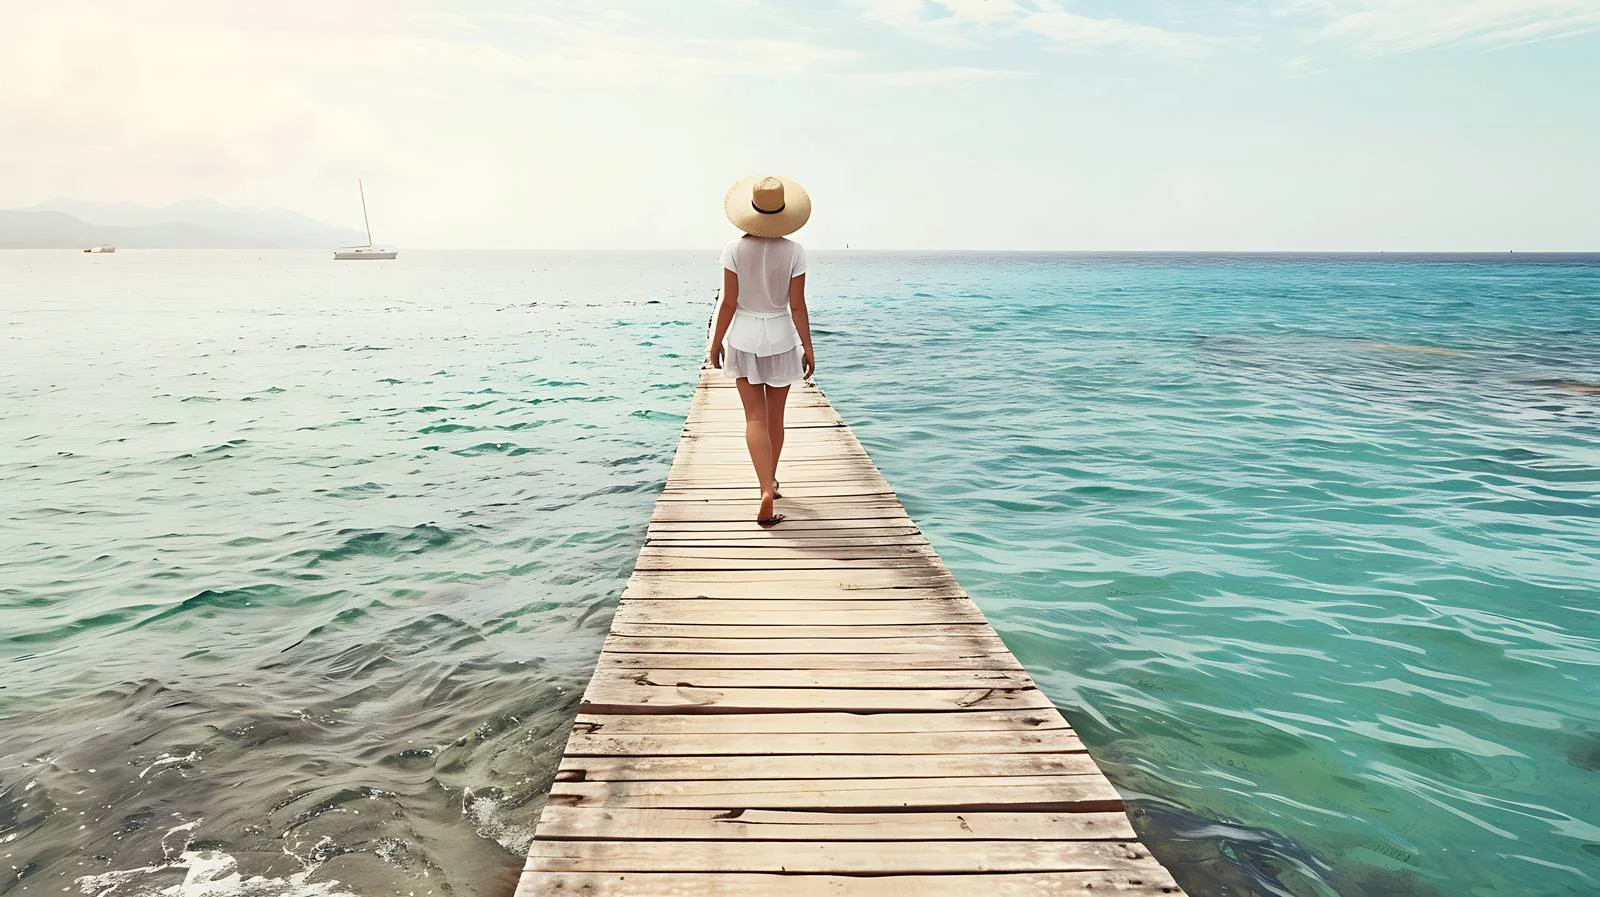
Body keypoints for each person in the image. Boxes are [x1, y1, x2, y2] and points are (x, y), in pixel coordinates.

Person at [707, 175, 815, 528]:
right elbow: (797, 306)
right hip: (782, 336)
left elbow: (729, 302)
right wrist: (808, 347)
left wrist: (715, 341)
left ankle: (764, 488)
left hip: (744, 335)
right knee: (775, 418)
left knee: (754, 417)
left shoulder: (734, 250)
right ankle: (774, 483)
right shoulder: (795, 251)